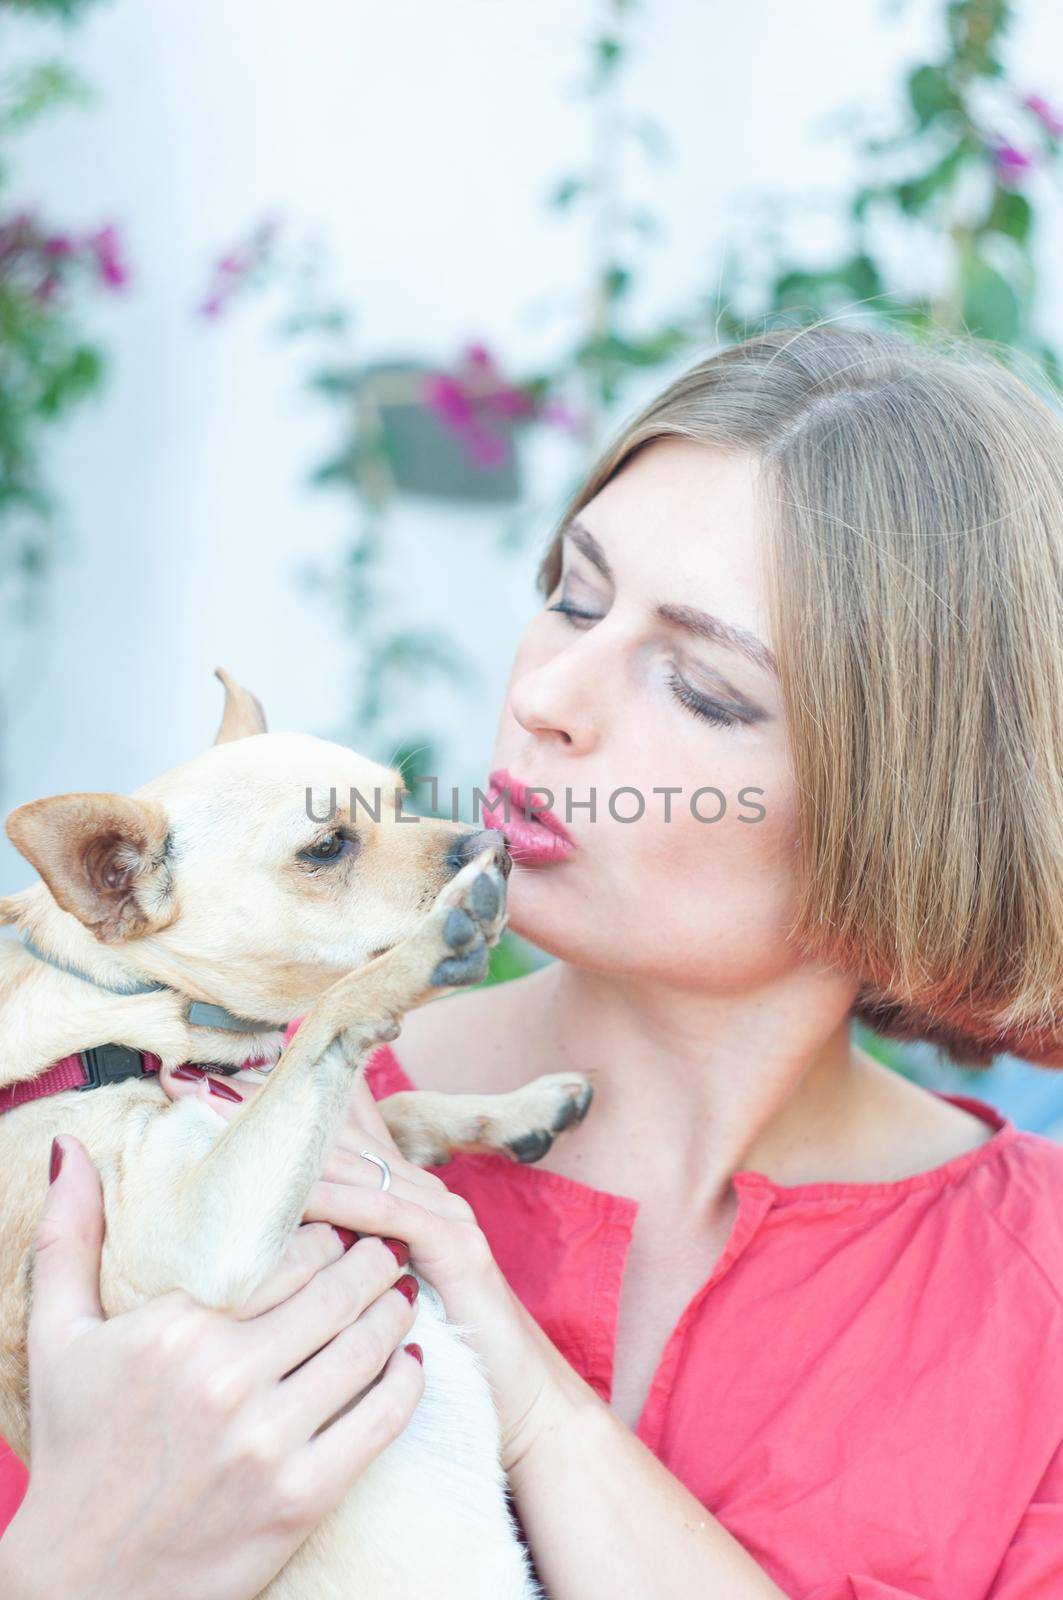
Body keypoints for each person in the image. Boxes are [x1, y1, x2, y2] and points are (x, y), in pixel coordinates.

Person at [1, 321, 1062, 1598]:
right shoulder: (129, 1124)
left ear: (923, 810)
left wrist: (534, 1402)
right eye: (571, 591)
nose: (551, 689)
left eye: (705, 686)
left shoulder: (1034, 1297)